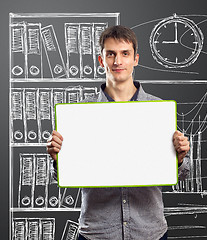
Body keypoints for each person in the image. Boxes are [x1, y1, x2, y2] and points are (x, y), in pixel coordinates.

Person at [47, 25, 190, 240]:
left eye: (125, 53)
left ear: (136, 59)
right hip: (97, 232)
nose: (118, 61)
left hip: (148, 232)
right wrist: (58, 159)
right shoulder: (80, 114)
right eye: (110, 54)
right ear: (101, 60)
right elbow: (63, 176)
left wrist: (179, 159)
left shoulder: (159, 109)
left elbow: (181, 175)